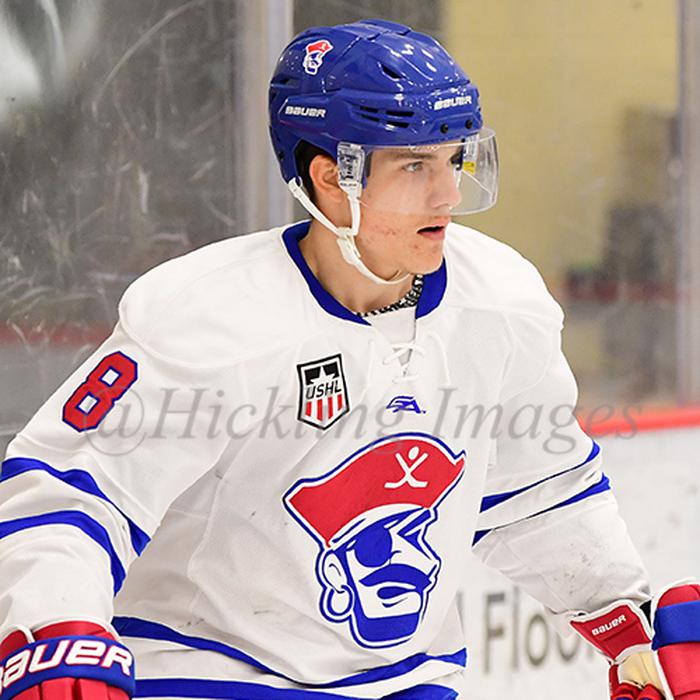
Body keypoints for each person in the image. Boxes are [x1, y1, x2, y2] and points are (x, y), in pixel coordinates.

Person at [0, 18, 697, 700]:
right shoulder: (210, 315)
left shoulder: (500, 302)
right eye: (415, 165)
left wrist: (629, 626)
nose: (449, 193)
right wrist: (54, 626)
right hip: (206, 674)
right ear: (332, 177)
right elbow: (72, 488)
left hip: (408, 681)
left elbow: (537, 491)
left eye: (454, 158)